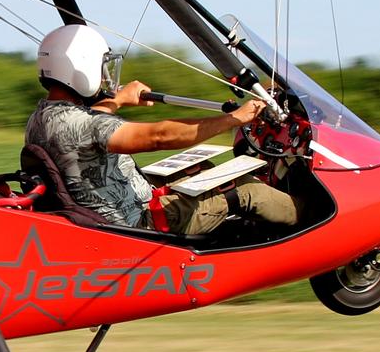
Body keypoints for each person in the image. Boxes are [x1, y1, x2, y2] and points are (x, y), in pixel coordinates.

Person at [25, 24, 299, 235]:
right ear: (81, 67)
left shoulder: (42, 118)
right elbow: (159, 136)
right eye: (100, 66)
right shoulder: (86, 125)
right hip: (139, 226)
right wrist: (235, 119)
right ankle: (314, 222)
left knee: (202, 169)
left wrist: (118, 100)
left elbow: (87, 127)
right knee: (250, 191)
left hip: (112, 208)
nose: (105, 75)